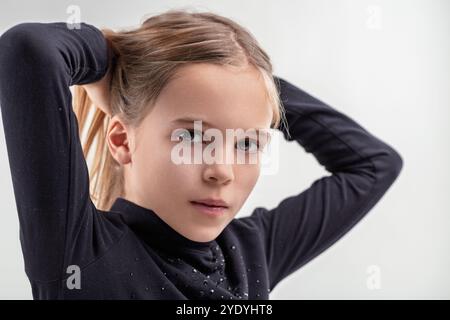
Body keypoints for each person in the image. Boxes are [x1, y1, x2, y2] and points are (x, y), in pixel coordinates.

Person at [0, 9, 403, 299]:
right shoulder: (80, 255)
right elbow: (28, 49)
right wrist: (118, 58)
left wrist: (250, 83)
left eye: (247, 143)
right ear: (122, 140)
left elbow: (373, 164)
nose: (221, 171)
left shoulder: (250, 254)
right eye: (193, 138)